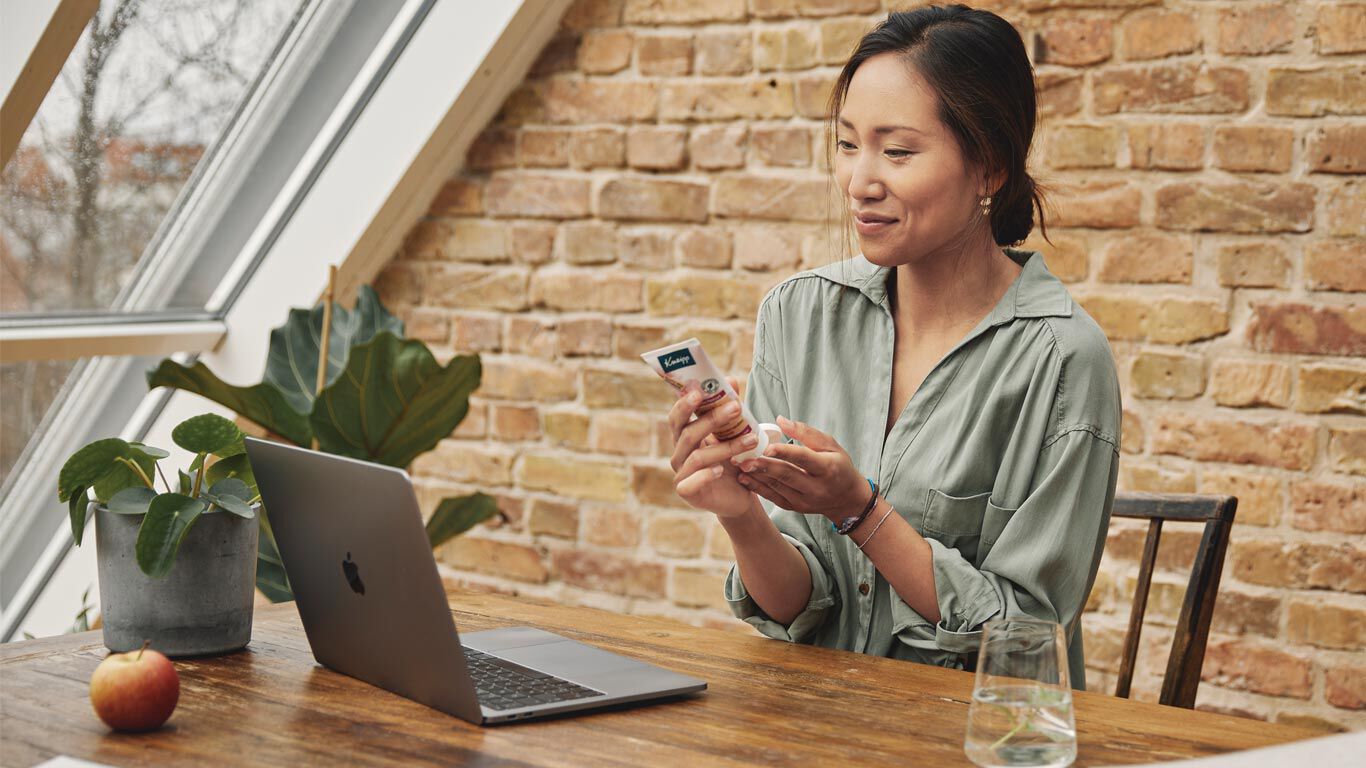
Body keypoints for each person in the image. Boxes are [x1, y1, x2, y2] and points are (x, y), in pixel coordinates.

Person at [666, 4, 1121, 689]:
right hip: (824, 727)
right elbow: (802, 606)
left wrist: (861, 510)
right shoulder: (800, 314)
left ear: (990, 167)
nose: (859, 181)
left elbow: (1026, 636)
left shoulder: (1062, 361)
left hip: (977, 738)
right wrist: (743, 517)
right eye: (848, 144)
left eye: (897, 151)